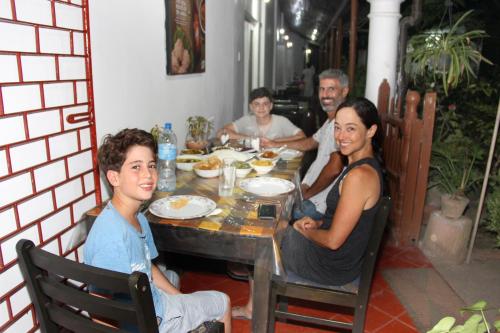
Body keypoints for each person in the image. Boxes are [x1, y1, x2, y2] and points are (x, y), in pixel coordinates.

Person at [232, 97, 384, 320]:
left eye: (351, 129)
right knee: (269, 219)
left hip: (330, 265)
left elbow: (333, 241)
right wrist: (318, 223)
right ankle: (255, 300)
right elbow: (350, 219)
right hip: (337, 258)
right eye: (338, 128)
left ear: (371, 131)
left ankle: (253, 309)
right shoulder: (359, 164)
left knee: (257, 236)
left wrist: (307, 232)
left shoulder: (359, 176)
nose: (341, 136)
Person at [84, 129, 232, 333]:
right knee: (222, 301)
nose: (148, 174)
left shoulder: (136, 217)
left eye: (151, 166)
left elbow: (147, 265)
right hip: (149, 321)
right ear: (114, 178)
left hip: (146, 303)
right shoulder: (113, 239)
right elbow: (99, 303)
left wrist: (179, 297)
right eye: (136, 167)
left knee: (170, 276)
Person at [261, 69, 349, 220]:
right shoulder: (330, 121)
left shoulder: (341, 125)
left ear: (345, 91)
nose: (325, 94)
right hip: (309, 194)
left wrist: (307, 193)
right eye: (322, 89)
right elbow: (310, 143)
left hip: (318, 204)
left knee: (266, 209)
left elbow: (335, 168)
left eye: (331, 89)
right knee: (269, 194)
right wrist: (274, 144)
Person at [216, 87, 305, 143]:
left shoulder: (281, 121)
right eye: (257, 104)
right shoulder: (246, 120)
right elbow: (220, 133)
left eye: (265, 104)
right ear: (251, 107)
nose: (261, 108)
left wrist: (274, 141)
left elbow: (302, 137)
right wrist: (251, 138)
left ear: (271, 106)